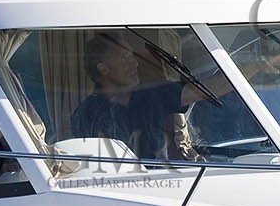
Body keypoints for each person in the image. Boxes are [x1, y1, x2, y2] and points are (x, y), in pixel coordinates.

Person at [70, 34, 214, 159]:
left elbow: (200, 91)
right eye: (124, 57)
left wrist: (233, 70)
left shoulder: (149, 96)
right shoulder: (87, 114)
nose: (135, 63)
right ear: (103, 68)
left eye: (132, 56)